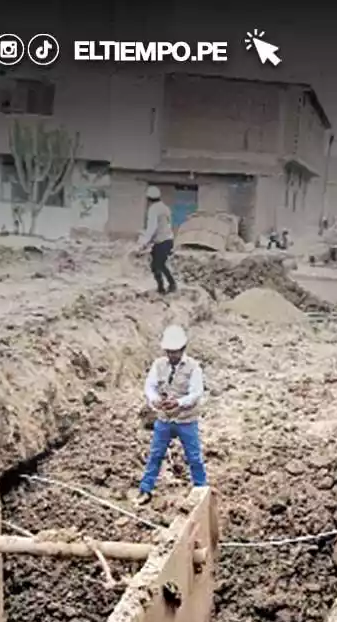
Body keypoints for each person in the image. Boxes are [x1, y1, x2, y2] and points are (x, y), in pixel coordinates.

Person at [136, 325, 207, 505]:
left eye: (175, 352)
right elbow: (150, 386)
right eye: (169, 351)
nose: (171, 355)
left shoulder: (193, 368)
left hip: (186, 420)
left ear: (183, 349)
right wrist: (154, 399)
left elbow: (196, 393)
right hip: (164, 419)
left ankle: (201, 491)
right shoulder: (159, 365)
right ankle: (145, 489)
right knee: (155, 455)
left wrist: (179, 403)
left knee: (194, 458)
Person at [136, 186, 177, 294]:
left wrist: (144, 242)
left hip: (162, 241)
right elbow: (168, 224)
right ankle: (162, 287)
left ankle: (169, 285)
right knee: (157, 265)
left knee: (158, 265)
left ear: (149, 198)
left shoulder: (153, 209)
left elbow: (152, 228)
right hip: (168, 240)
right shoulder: (165, 208)